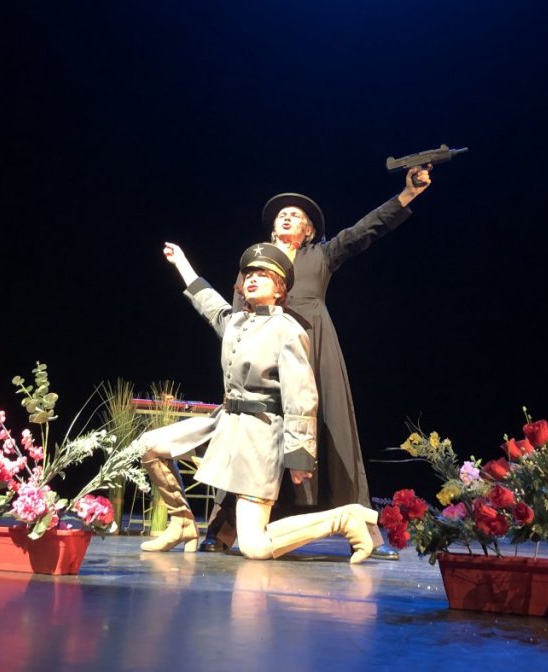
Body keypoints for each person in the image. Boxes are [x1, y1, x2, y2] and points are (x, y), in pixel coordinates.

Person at [201, 165, 434, 559]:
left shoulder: (320, 255)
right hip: (263, 359)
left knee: (334, 432)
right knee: (250, 434)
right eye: (282, 215)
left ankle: (364, 531)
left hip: (314, 351)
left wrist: (407, 194)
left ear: (307, 230)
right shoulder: (254, 267)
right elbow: (237, 317)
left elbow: (363, 232)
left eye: (296, 216)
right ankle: (222, 531)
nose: (287, 217)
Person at [135, 240, 379, 564]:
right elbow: (207, 300)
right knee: (149, 446)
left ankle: (345, 519)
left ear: (279, 289)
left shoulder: (288, 330)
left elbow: (301, 395)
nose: (251, 279)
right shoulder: (236, 322)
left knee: (255, 547)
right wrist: (181, 262)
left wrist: (300, 453)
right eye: (248, 274)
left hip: (259, 440)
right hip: (224, 425)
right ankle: (182, 523)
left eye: (262, 275)